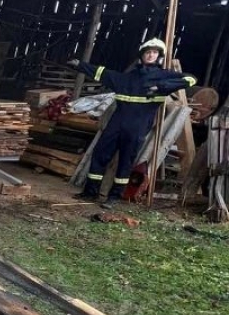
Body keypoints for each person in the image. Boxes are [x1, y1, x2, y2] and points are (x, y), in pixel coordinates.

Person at [68, 38, 197, 207]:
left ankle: (114, 197)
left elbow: (191, 79)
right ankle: (90, 192)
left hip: (137, 127)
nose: (150, 55)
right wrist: (79, 65)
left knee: (125, 162)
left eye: (154, 53)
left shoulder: (164, 76)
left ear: (159, 56)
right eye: (147, 52)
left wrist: (162, 87)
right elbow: (102, 73)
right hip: (116, 123)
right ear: (142, 55)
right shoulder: (126, 78)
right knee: (100, 154)